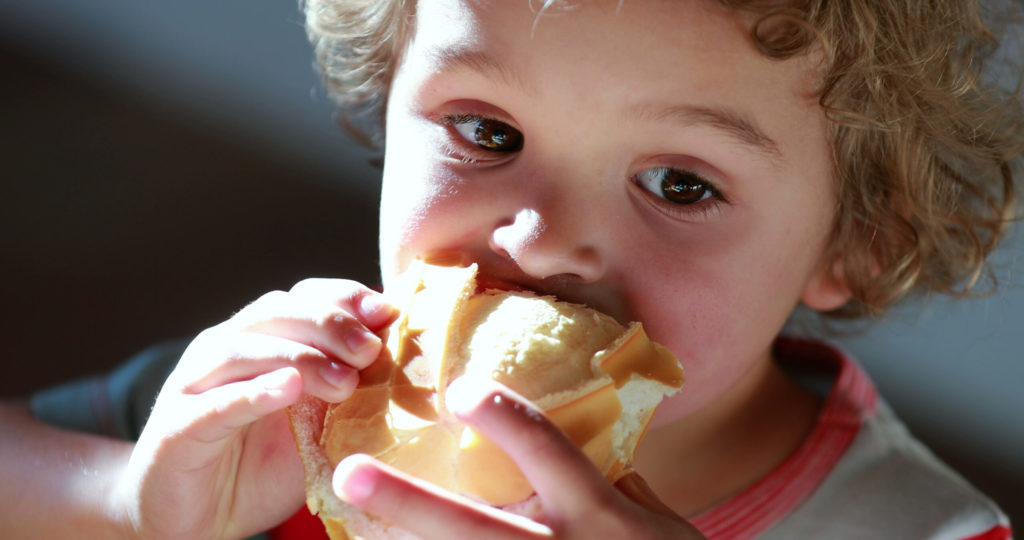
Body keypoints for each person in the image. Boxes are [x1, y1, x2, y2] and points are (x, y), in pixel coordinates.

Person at [3, 0, 1023, 538]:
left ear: (858, 238)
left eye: (677, 183)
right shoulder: (288, 414)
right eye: (487, 130)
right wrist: (119, 506)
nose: (538, 239)